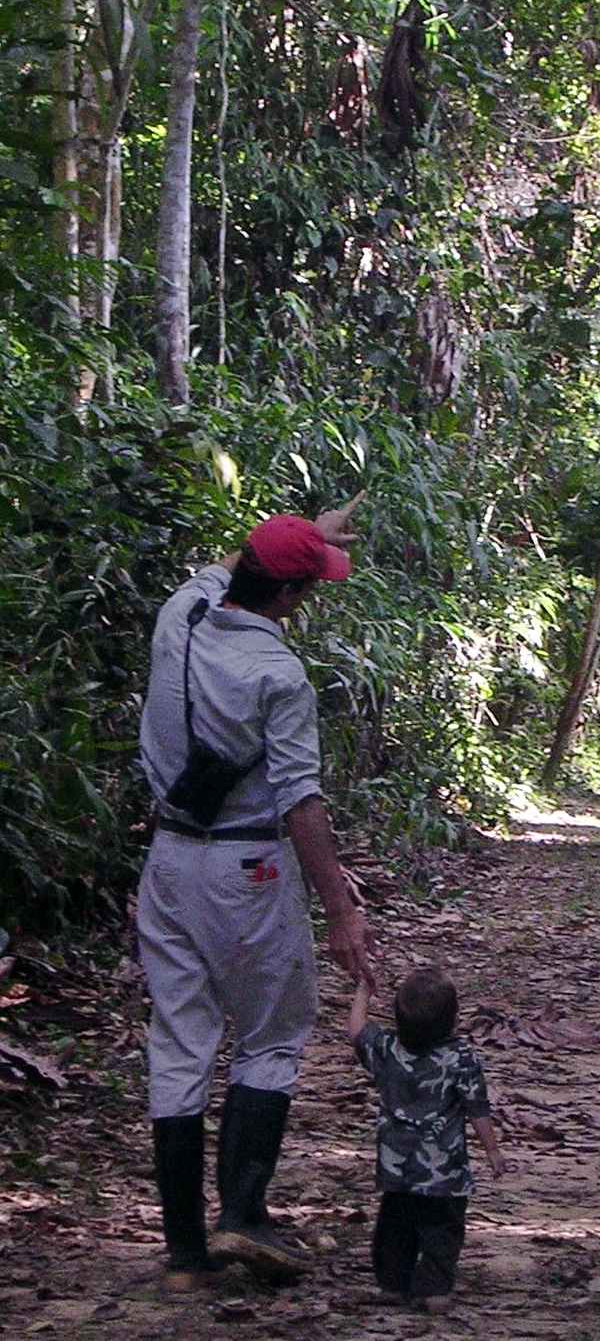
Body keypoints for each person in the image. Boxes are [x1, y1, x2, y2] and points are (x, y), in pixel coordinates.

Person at [136, 501, 373, 1291]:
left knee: (180, 1037)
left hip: (168, 859)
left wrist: (308, 526)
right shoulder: (279, 674)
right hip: (247, 871)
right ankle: (242, 1212)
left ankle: (181, 1246)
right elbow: (300, 802)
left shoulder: (184, 610)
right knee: (272, 1032)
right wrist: (339, 907)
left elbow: (236, 560)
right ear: (291, 597)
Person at [348, 965, 505, 1311]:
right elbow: (476, 1107)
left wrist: (363, 992)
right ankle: (432, 1288)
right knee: (442, 1230)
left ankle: (392, 1283)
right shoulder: (461, 1058)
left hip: (397, 1167)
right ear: (455, 1018)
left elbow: (358, 1033)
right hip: (443, 1172)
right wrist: (491, 1149)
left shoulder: (387, 1048)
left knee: (394, 1226)